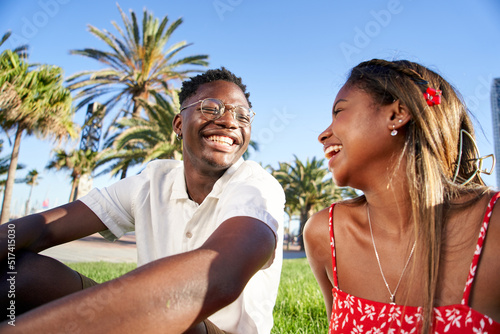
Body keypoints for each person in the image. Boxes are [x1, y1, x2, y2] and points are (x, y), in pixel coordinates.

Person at [0, 67, 285, 333]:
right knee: (19, 274)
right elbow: (41, 227)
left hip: (201, 327)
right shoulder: (151, 182)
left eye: (243, 116)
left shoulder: (258, 188)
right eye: (211, 108)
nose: (228, 122)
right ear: (178, 123)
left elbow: (216, 280)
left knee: (167, 309)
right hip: (153, 319)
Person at [304, 59, 500, 333]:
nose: (323, 135)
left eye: (339, 111)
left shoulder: (494, 227)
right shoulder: (325, 233)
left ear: (397, 114)